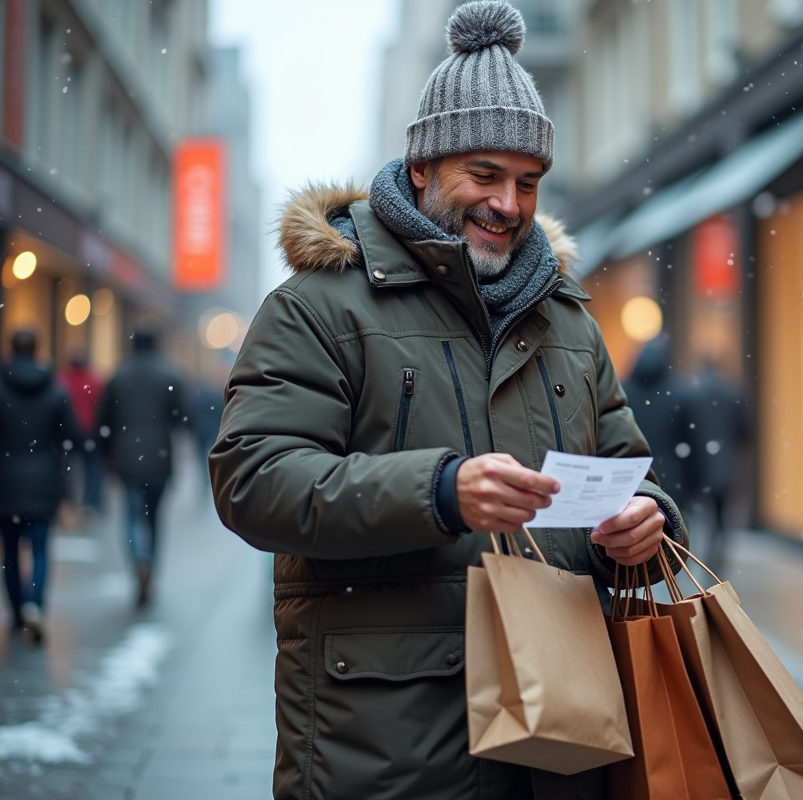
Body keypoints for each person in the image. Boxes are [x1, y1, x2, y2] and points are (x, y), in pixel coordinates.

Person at [208, 4, 687, 799]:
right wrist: (438, 491)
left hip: (558, 743)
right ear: (424, 169)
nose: (508, 204)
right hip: (391, 747)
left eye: (527, 183)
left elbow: (625, 471)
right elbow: (254, 481)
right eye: (486, 176)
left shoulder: (567, 319)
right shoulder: (320, 306)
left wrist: (646, 522)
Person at [97, 329, 189, 606]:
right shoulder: (169, 375)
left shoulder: (118, 376)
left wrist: (106, 454)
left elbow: (105, 420)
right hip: (159, 457)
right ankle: (151, 568)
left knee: (133, 515)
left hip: (127, 457)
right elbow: (183, 415)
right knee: (154, 518)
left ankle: (140, 561)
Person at [0, 329, 80, 641]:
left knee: (9, 553)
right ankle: (35, 606)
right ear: (37, 349)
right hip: (44, 479)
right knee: (40, 549)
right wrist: (68, 489)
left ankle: (17, 611)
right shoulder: (56, 390)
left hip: (5, 482)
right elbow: (70, 438)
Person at [682, 358, 751, 571]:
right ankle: (715, 559)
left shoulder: (691, 396)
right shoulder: (732, 394)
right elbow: (745, 433)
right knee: (719, 518)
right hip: (722, 465)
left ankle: (690, 556)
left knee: (692, 515)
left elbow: (683, 432)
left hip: (695, 466)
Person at [623, 335, 693, 504]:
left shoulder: (622, 391)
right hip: (670, 473)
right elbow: (687, 438)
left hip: (632, 473)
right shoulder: (678, 394)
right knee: (671, 524)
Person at [59, 348, 106, 517]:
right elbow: (100, 406)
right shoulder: (94, 380)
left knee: (67, 468)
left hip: (69, 431)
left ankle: (69, 500)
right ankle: (89, 503)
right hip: (89, 430)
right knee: (92, 468)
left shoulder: (62, 380)